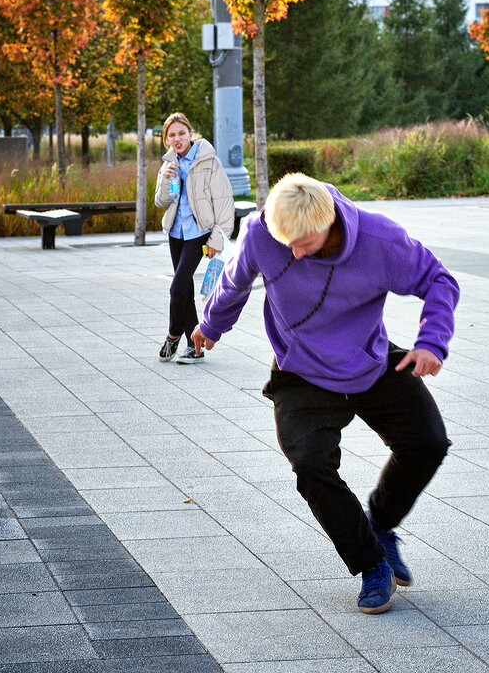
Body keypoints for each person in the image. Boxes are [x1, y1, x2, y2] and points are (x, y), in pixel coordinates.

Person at [191, 173, 459, 615]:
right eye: (285, 243)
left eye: (304, 243)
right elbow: (236, 282)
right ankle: (372, 563)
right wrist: (211, 326)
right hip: (300, 369)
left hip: (369, 357)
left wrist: (432, 342)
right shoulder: (262, 232)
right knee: (311, 464)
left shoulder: (379, 238)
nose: (293, 253)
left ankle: (382, 525)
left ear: (329, 219)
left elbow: (439, 280)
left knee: (428, 443)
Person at [154, 112, 234, 363]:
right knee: (184, 289)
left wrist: (217, 239)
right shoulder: (168, 163)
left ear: (190, 133)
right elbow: (160, 202)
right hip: (176, 233)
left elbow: (223, 200)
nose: (177, 139)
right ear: (166, 138)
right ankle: (194, 346)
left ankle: (173, 333)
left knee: (177, 287)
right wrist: (167, 178)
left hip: (199, 232)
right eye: (171, 135)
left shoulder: (208, 160)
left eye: (181, 133)